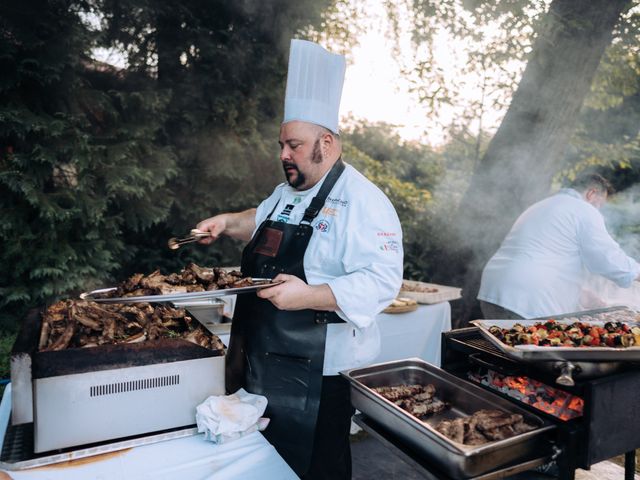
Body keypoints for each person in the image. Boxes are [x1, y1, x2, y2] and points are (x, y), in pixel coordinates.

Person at [195, 39, 403, 479]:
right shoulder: (286, 191)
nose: (283, 155)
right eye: (281, 145)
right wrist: (227, 223)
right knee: (269, 461)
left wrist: (310, 294)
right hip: (264, 354)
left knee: (318, 463)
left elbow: (384, 281)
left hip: (323, 370)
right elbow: (263, 219)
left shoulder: (365, 201)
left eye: (294, 145)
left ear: (326, 143)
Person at [478, 173, 640, 319]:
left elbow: (544, 255)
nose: (598, 210)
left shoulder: (542, 205)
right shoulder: (583, 209)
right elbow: (608, 259)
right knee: (538, 350)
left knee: (503, 350)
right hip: (528, 300)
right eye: (599, 205)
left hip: (493, 292)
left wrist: (579, 293)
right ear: (591, 193)